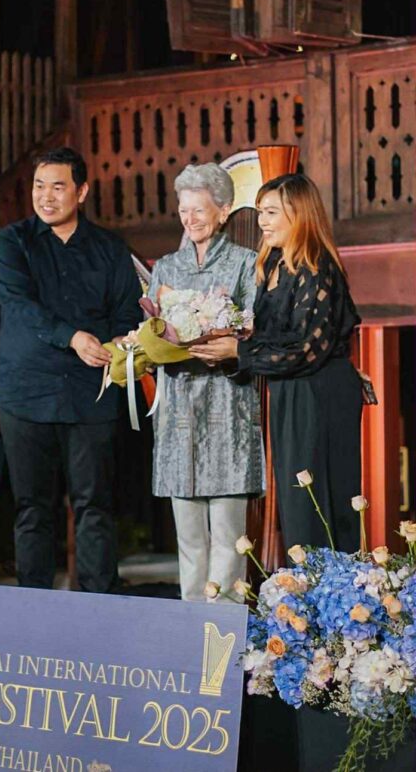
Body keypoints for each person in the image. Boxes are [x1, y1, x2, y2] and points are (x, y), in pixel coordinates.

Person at [0, 146, 142, 592]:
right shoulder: (13, 242)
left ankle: (99, 607)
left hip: (91, 391)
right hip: (26, 393)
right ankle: (33, 608)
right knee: (32, 508)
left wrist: (118, 342)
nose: (46, 196)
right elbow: (19, 306)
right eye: (39, 186)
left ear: (82, 191)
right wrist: (73, 337)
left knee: (95, 505)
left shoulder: (109, 248)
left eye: (58, 187)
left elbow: (127, 311)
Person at [190, 173, 362, 554]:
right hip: (290, 391)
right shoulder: (275, 265)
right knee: (298, 506)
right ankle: (307, 583)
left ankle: (331, 586)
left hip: (319, 396)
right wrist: (227, 343)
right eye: (260, 212)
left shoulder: (317, 269)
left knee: (317, 505)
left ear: (299, 215)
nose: (261, 221)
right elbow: (272, 339)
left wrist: (238, 353)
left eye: (271, 212)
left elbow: (306, 349)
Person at [148, 163, 265, 602]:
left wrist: (230, 348)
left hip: (227, 409)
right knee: (189, 542)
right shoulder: (166, 268)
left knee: (229, 540)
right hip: (178, 410)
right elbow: (152, 333)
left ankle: (225, 632)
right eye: (183, 210)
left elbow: (255, 335)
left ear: (223, 210)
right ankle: (190, 629)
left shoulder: (245, 264)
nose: (190, 219)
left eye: (199, 209)